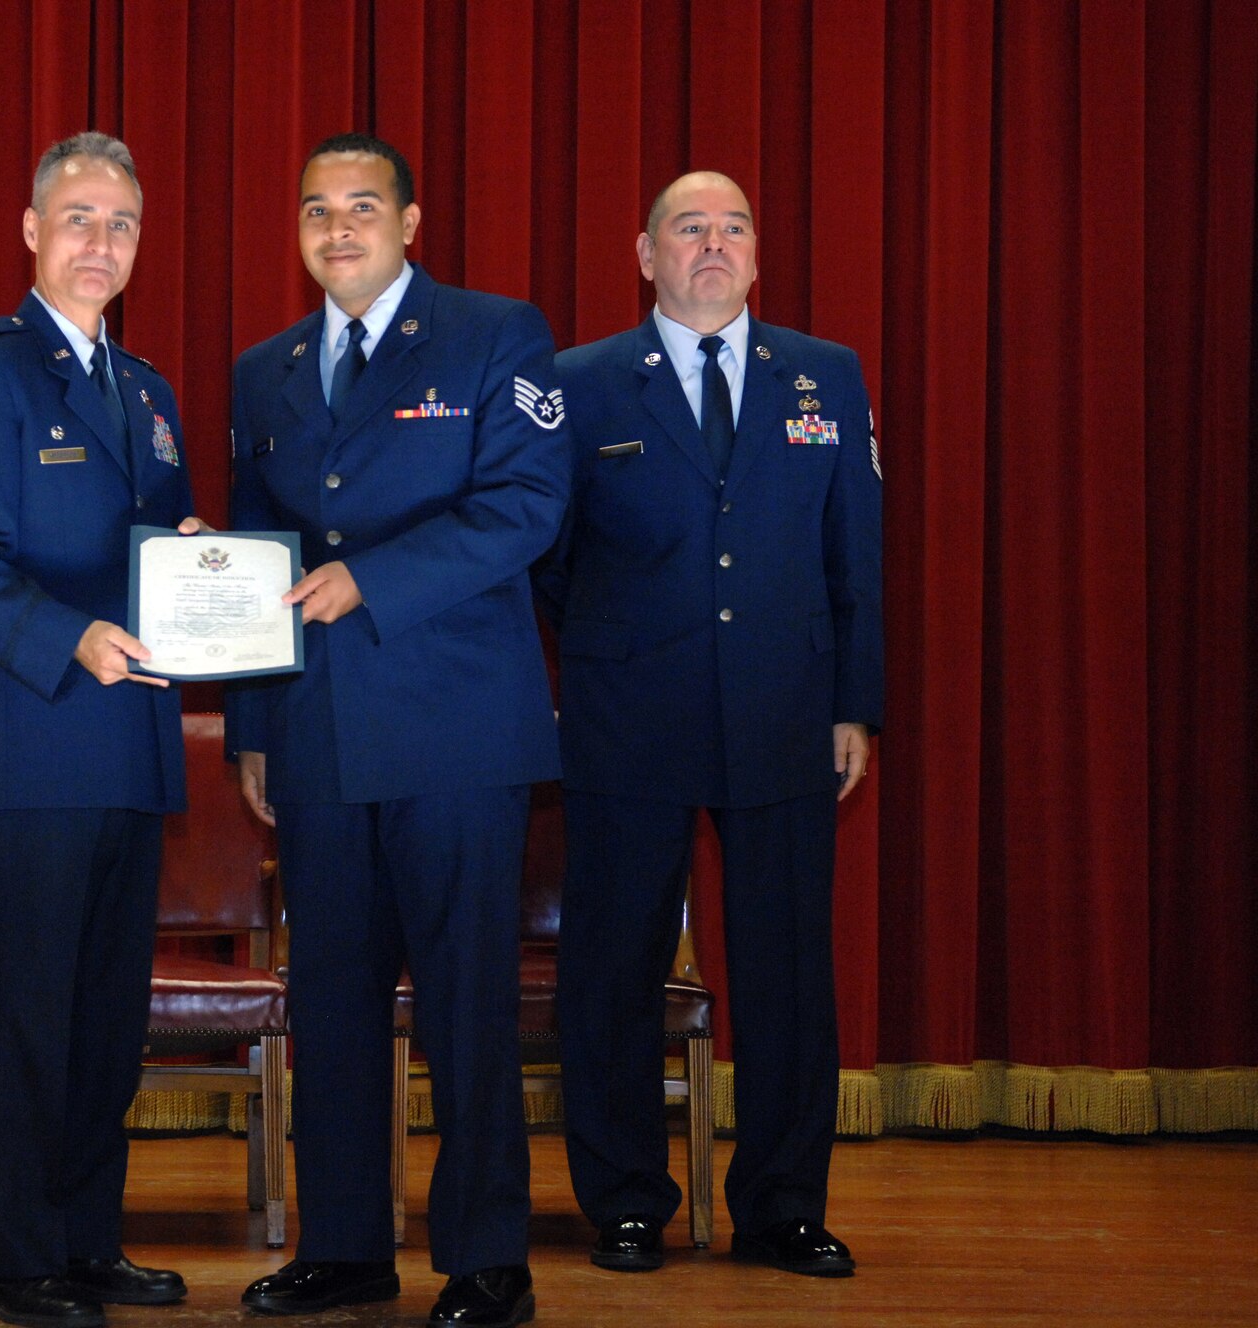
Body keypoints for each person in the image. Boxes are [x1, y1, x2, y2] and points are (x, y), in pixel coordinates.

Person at [229, 133, 570, 1328]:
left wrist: (372, 578)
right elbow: (254, 562)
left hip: (456, 731)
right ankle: (344, 1246)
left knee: (467, 1001)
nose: (338, 229)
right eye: (316, 208)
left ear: (411, 223)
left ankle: (485, 1259)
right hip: (317, 733)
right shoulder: (261, 370)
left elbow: (526, 506)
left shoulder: (495, 334)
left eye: (362, 206)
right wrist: (253, 730)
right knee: (329, 999)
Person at [545, 170, 883, 1278]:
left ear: (754, 253)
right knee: (612, 968)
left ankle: (782, 1203)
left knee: (786, 970)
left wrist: (853, 703)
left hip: (784, 711)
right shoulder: (578, 383)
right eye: (686, 228)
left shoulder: (823, 375)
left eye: (732, 226)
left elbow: (855, 558)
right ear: (644, 256)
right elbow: (545, 565)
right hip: (622, 716)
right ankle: (627, 1198)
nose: (711, 244)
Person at [0, 131, 204, 1328]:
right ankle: (16, 1260)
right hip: (41, 740)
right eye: (78, 218)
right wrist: (68, 637)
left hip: (133, 750)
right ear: (31, 232)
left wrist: (203, 574)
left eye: (121, 224)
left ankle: (89, 1240)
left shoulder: (148, 391)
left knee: (103, 1018)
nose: (100, 242)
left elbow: (167, 550)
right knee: (30, 1011)